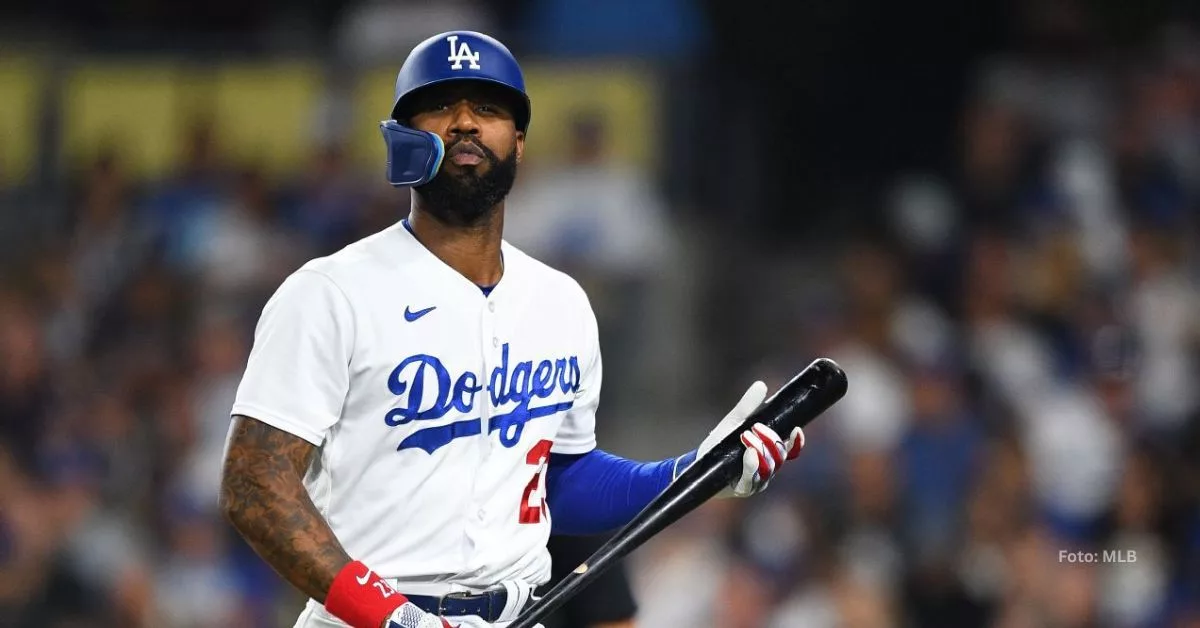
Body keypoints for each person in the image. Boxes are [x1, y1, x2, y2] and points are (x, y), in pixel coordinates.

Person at [218, 31, 807, 628]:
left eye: (490, 109)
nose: (467, 123)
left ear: (519, 143)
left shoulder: (561, 301)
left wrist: (694, 472)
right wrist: (392, 618)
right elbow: (253, 481)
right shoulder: (330, 292)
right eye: (442, 105)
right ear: (403, 135)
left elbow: (561, 479)